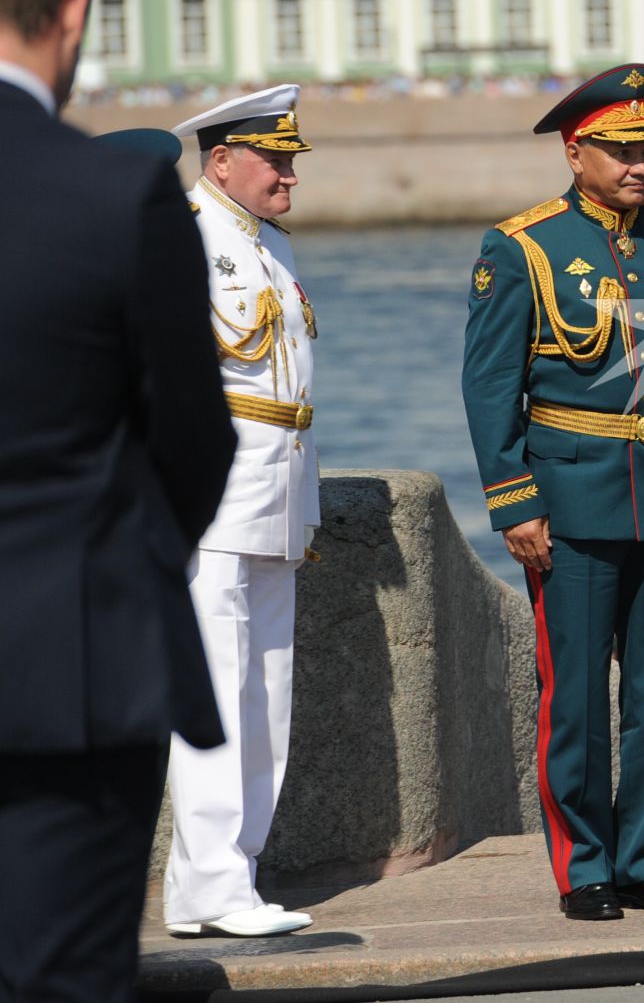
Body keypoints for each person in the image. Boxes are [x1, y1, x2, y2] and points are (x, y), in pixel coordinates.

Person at [0, 0, 236, 1000]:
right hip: (74, 666)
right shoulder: (114, 187)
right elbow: (194, 437)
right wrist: (123, 563)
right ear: (74, 11)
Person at [462, 63, 644, 919]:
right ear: (575, 149)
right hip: (574, 502)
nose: (639, 165)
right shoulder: (524, 246)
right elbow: (491, 389)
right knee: (579, 698)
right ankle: (585, 866)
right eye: (621, 150)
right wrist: (514, 501)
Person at [160, 85, 322, 938]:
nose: (290, 174)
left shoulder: (271, 252)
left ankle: (230, 879)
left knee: (268, 691)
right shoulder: (180, 240)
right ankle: (213, 881)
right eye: (276, 159)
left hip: (281, 492)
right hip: (214, 497)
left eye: (293, 159)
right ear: (221, 161)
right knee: (218, 687)